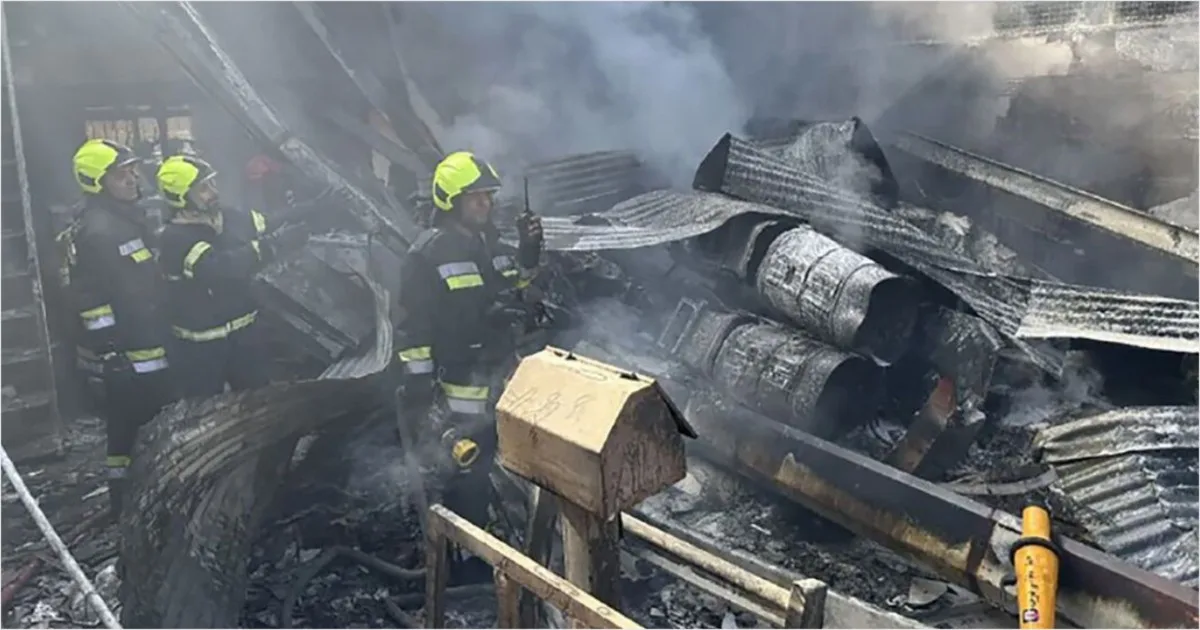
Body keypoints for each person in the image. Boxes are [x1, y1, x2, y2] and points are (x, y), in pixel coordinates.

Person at [392, 151, 544, 576]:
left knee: (500, 458)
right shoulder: (427, 254)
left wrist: (529, 254)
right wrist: (420, 386)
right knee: (466, 469)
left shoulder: (490, 244)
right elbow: (412, 328)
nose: (486, 204)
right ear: (450, 201)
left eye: (488, 196)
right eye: (475, 197)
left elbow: (515, 283)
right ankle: (466, 557)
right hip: (459, 382)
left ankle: (493, 533)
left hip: (500, 372)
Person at [59, 138, 176, 517]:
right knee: (126, 431)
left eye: (132, 170)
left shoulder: (125, 217)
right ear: (97, 181)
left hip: (149, 341)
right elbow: (91, 303)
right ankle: (124, 506)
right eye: (121, 173)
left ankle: (155, 494)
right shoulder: (98, 230)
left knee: (155, 421)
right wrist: (111, 353)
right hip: (129, 353)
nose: (133, 178)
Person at [156, 154, 308, 399]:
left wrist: (314, 209)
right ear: (180, 196)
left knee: (258, 402)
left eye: (212, 184)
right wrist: (269, 247)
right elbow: (219, 269)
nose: (213, 192)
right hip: (202, 347)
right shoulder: (175, 237)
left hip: (245, 336)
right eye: (203, 189)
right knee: (203, 412)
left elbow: (268, 222)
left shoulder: (226, 216)